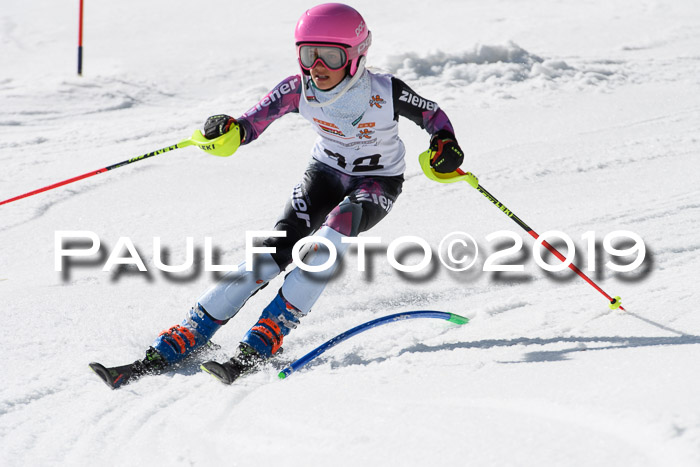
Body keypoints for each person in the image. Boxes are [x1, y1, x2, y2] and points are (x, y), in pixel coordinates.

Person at [89, 2, 464, 388]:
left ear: (356, 56)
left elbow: (434, 117)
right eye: (308, 54)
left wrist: (445, 144)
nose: (316, 67)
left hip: (377, 181)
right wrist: (226, 129)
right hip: (326, 173)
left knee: (331, 237)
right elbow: (249, 125)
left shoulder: (385, 90)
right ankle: (192, 329)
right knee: (276, 248)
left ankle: (270, 330)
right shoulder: (296, 89)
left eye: (330, 56)